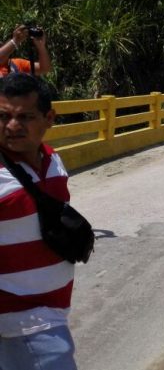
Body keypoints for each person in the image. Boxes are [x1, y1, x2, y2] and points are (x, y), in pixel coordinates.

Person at [0, 73, 77, 369]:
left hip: (53, 309)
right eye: (3, 116)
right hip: (23, 321)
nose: (12, 126)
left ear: (49, 119)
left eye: (25, 117)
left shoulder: (51, 159)